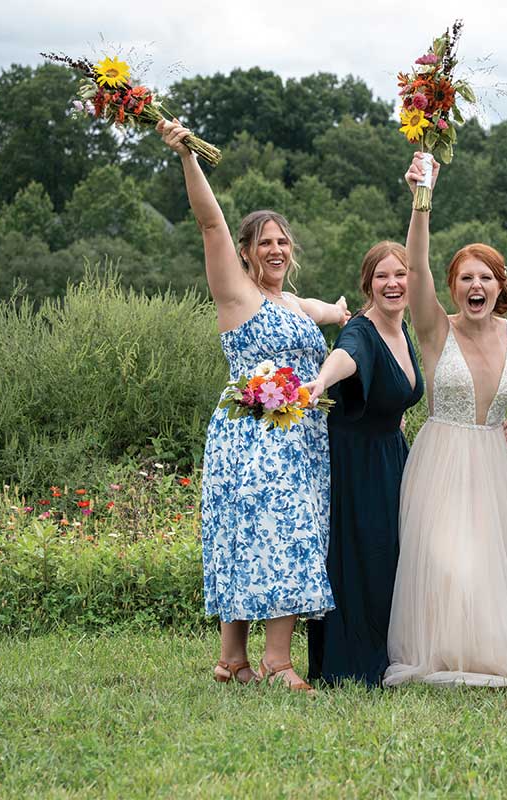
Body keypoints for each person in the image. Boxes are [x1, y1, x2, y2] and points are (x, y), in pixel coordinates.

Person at [157, 119, 349, 692]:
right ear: (245, 252)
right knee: (273, 536)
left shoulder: (293, 301)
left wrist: (350, 313)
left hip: (302, 440)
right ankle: (278, 662)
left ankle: (231, 660)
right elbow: (209, 221)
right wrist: (188, 155)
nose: (275, 249)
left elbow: (329, 310)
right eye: (264, 242)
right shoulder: (236, 293)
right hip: (253, 435)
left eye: (282, 241)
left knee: (257, 535)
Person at [383, 153, 507, 688]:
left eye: (484, 277)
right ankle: (442, 651)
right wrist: (423, 199)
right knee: (448, 560)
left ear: (498, 284)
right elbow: (414, 266)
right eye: (465, 277)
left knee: (495, 563)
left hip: (496, 458)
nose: (475, 286)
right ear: (452, 286)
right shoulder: (435, 330)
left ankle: (490, 652)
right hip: (442, 459)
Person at [303, 242, 424, 687]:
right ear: (368, 285)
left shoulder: (402, 329)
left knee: (395, 555)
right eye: (381, 277)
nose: (392, 283)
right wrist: (322, 380)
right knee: (364, 556)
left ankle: (394, 650)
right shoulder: (362, 328)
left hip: (391, 453)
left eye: (400, 274)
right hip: (357, 462)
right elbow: (347, 356)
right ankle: (351, 661)